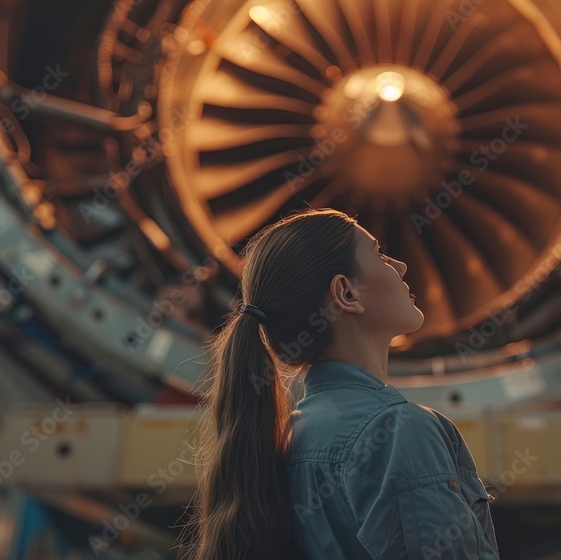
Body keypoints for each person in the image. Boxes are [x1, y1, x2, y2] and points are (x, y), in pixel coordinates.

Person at [176, 208, 500, 559]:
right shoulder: (397, 431)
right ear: (346, 294)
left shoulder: (290, 436)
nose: (401, 266)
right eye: (379, 254)